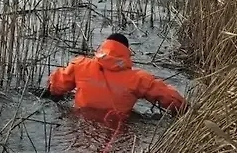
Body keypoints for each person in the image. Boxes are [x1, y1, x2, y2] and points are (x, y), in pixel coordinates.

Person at [46, 33, 186, 120]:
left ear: (103, 48)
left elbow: (57, 85)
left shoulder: (80, 65)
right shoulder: (138, 78)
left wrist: (53, 93)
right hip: (118, 127)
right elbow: (169, 97)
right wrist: (185, 110)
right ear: (126, 53)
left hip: (81, 121)